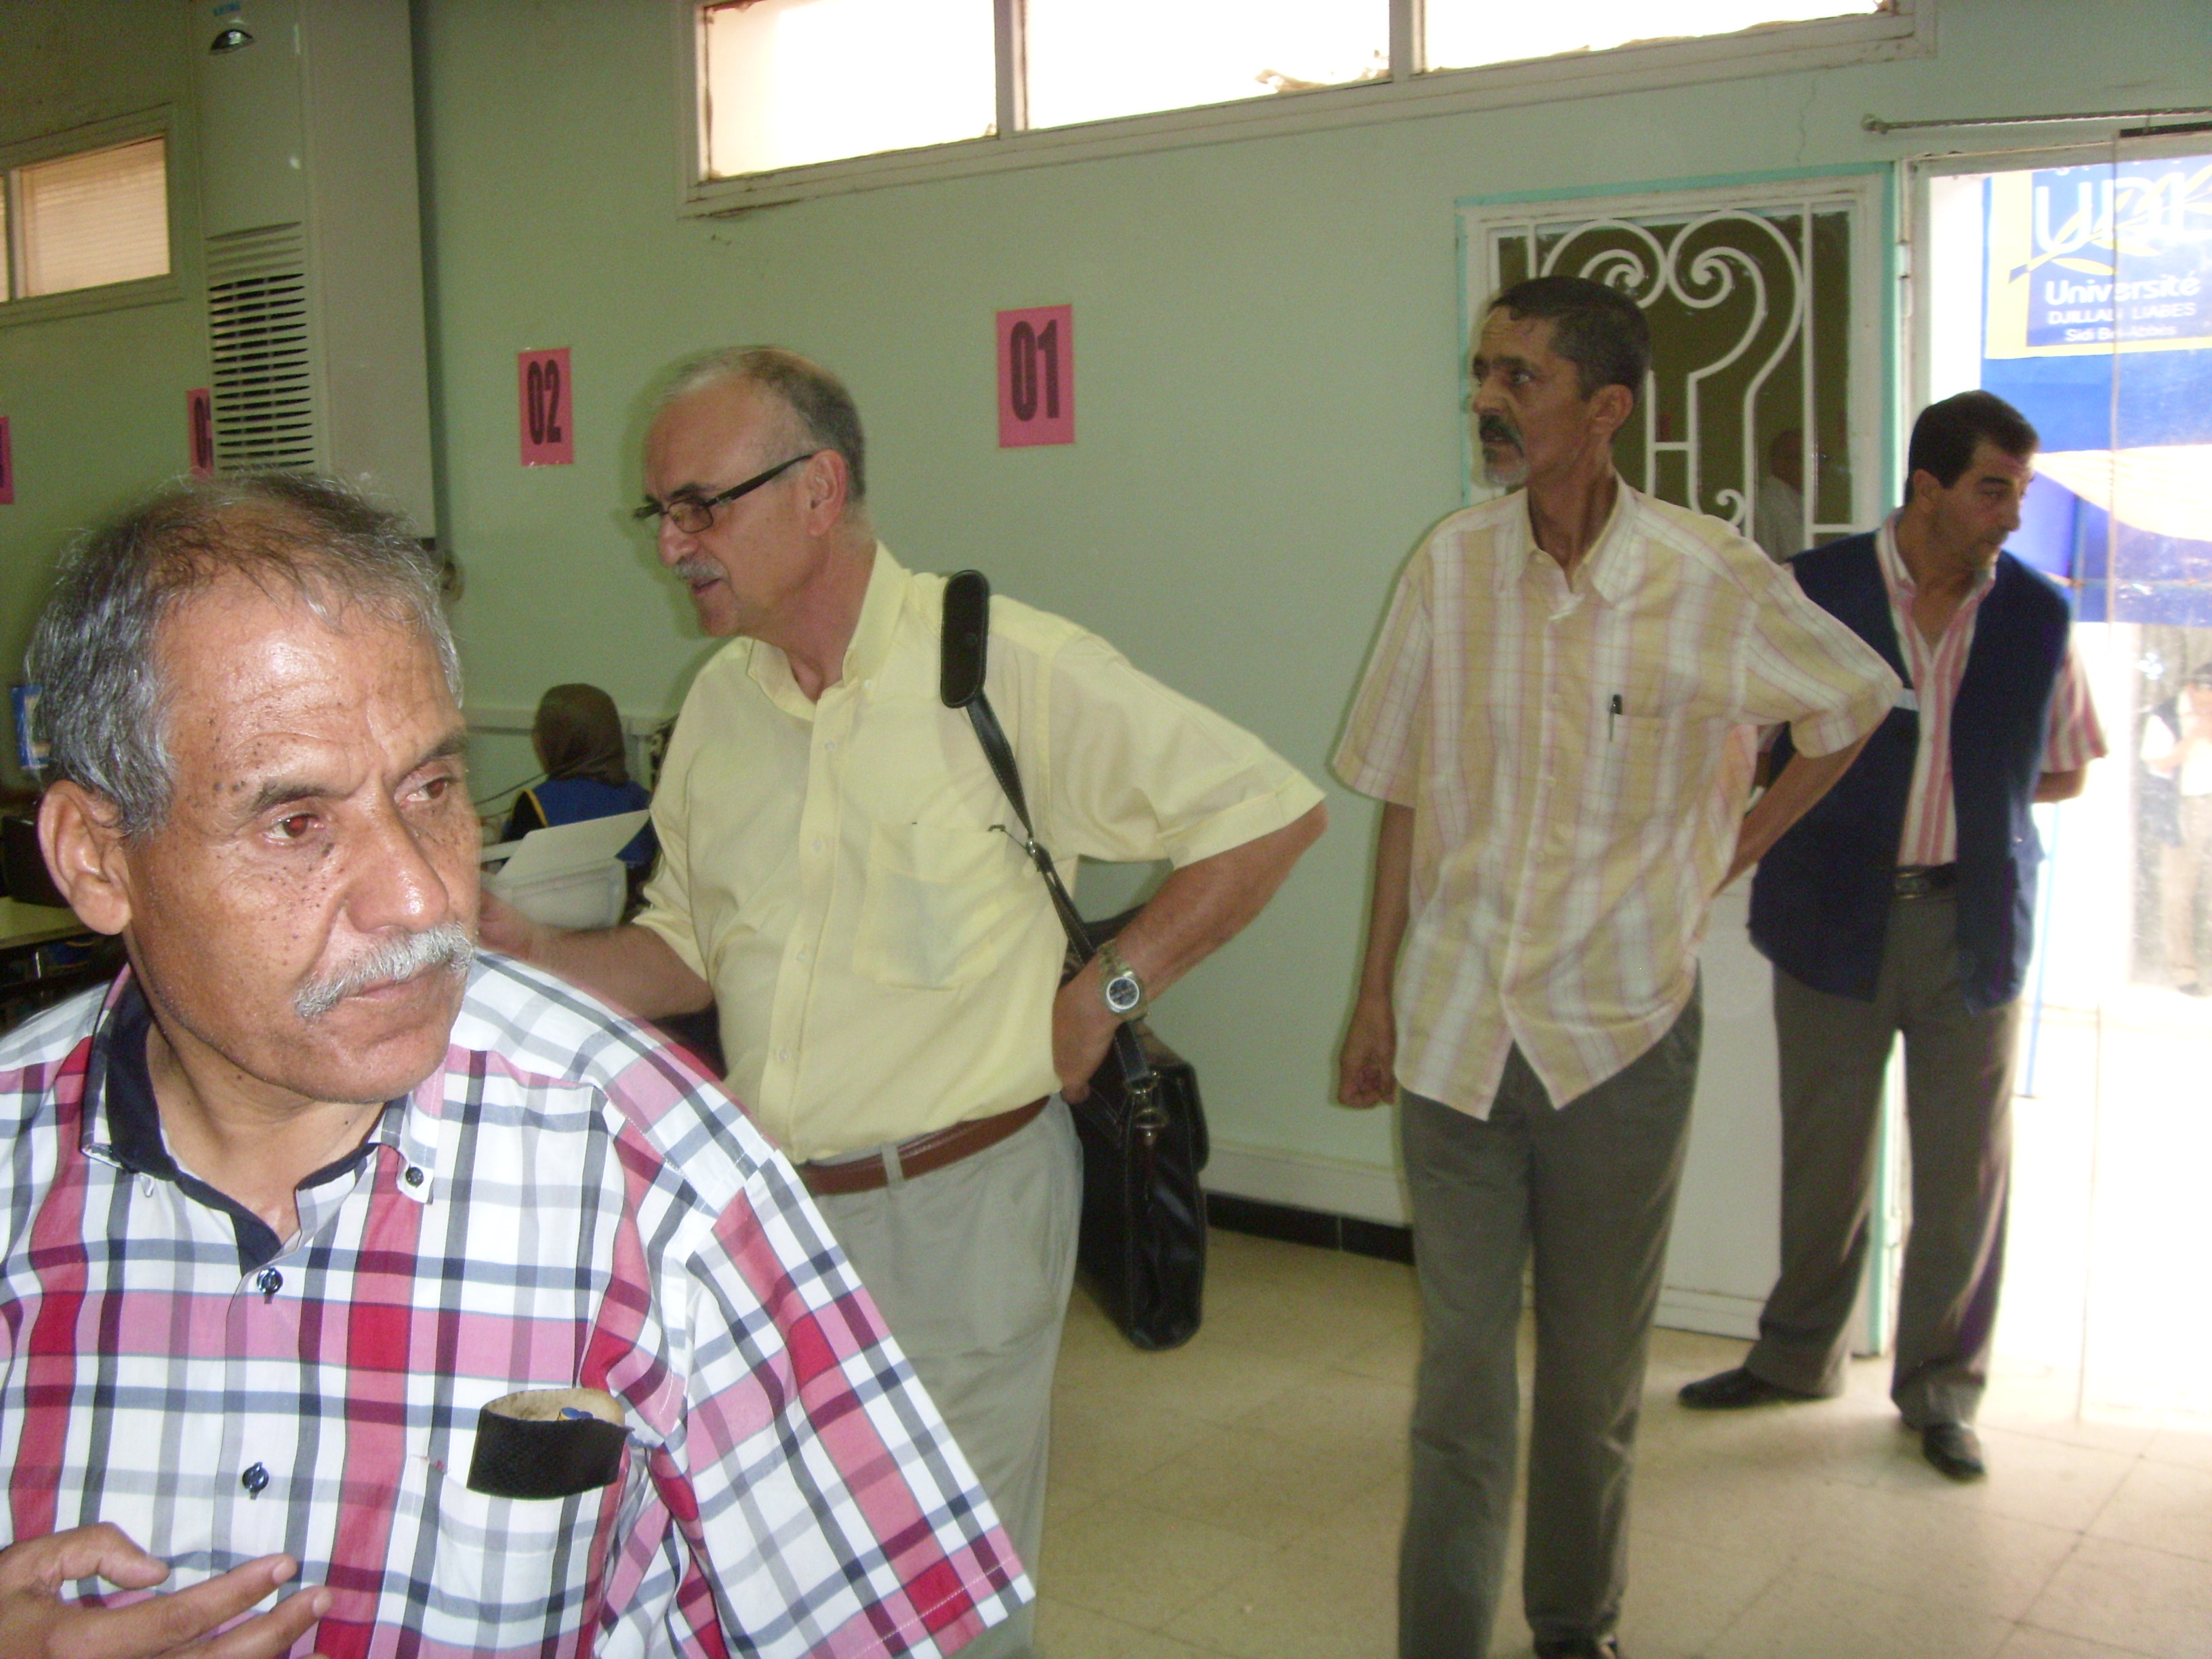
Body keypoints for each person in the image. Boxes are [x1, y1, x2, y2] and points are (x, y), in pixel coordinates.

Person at [0, 474, 1026, 1658]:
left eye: (432, 788)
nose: (421, 895)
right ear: (96, 857)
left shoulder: (653, 1167)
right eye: (296, 823)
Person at [483, 346, 1327, 1659]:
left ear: (818, 490)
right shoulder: (719, 708)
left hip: (962, 1209)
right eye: (659, 511)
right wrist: (524, 946)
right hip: (773, 1226)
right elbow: (686, 952)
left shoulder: (1001, 666)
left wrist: (1106, 990)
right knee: (799, 1587)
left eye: (699, 505)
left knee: (943, 1608)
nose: (672, 544)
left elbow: (1266, 813)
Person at [1334, 275, 1898, 1659]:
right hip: (1454, 1031)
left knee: (1589, 1380)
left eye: (1517, 378)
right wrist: (1372, 993)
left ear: (1605, 410)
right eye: (1482, 371)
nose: (1486, 401)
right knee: (1460, 1385)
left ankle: (1574, 1629)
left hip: (1618, 1040)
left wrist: (1733, 846)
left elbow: (1853, 698)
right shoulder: (1448, 566)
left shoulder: (1703, 576)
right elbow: (1400, 786)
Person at [1681, 390, 2108, 1483]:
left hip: (1974, 925)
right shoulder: (1809, 591)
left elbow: (2066, 765)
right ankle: (1795, 1358)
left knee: (1964, 1174)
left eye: (2021, 490)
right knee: (1824, 1157)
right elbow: (1743, 746)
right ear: (1927, 487)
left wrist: (1965, 803)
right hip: (1829, 912)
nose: (2013, 514)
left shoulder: (2037, 615)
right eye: (1993, 489)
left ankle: (1941, 1392)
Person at [500, 682, 657, 869]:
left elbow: (508, 870)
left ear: (557, 740)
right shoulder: (649, 803)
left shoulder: (534, 805)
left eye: (539, 729)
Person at [2142, 665, 2212, 994]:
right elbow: (2157, 762)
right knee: (2179, 891)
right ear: (2192, 688)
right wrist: (2195, 736)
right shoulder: (2166, 715)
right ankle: (2184, 971)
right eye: (2207, 696)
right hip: (2184, 806)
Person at [1752, 427, 1809, 562]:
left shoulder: (1795, 500)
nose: (1817, 466)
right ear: (1779, 462)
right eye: (1800, 457)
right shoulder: (1768, 504)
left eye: (1821, 458)